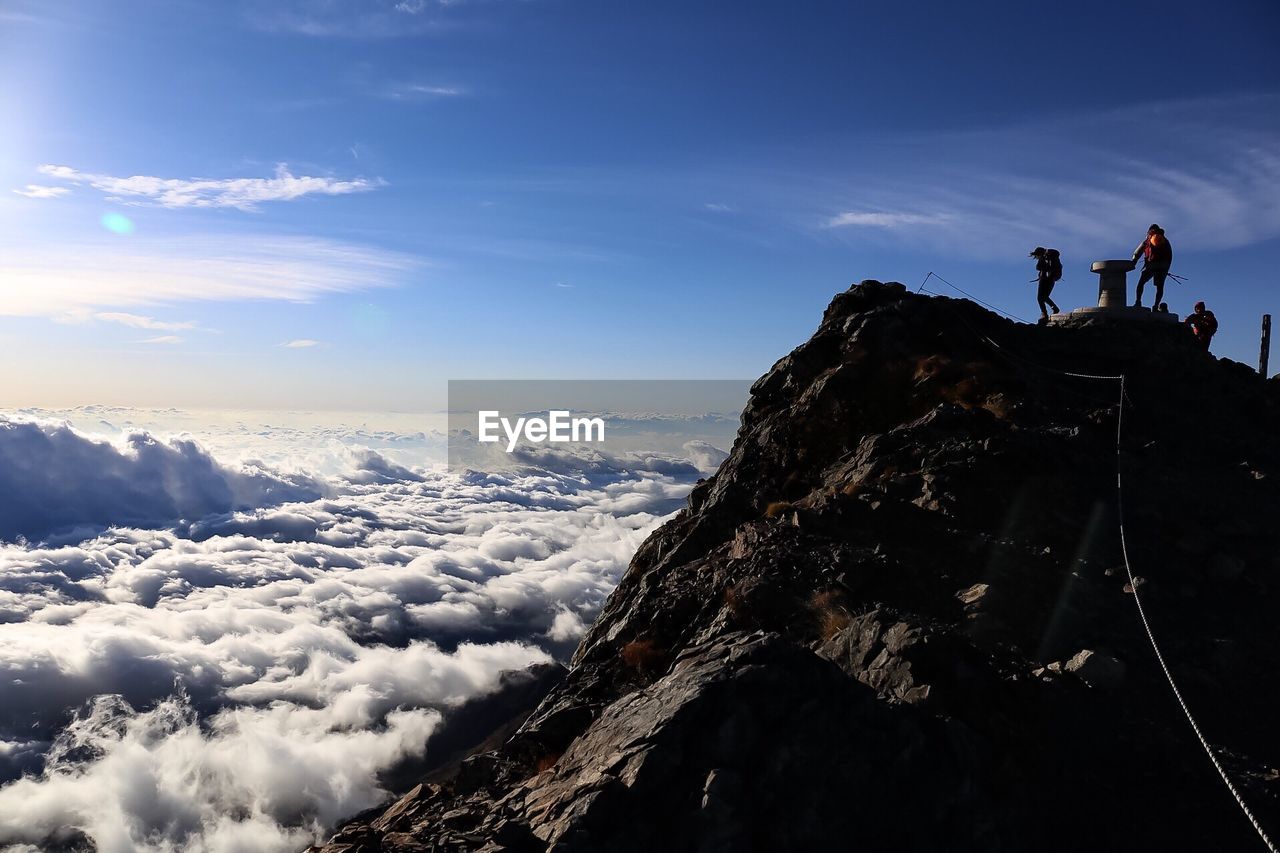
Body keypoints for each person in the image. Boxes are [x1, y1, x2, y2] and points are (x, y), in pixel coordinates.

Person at [1131, 224, 1173, 309]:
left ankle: (1138, 302)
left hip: (1151, 265)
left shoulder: (1148, 240)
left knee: (1141, 283)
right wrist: (1166, 268)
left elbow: (1137, 252)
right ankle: (1155, 306)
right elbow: (1170, 255)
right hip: (1163, 267)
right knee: (1159, 287)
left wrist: (1134, 262)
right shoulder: (1165, 241)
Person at [1029, 246, 1062, 322]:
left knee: (1040, 297)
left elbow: (1038, 267)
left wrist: (1043, 268)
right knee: (1044, 297)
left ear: (1039, 253)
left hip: (1045, 278)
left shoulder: (1044, 257)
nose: (1036, 257)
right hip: (1051, 278)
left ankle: (1044, 313)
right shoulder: (1051, 256)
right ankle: (1054, 308)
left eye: (1036, 255)